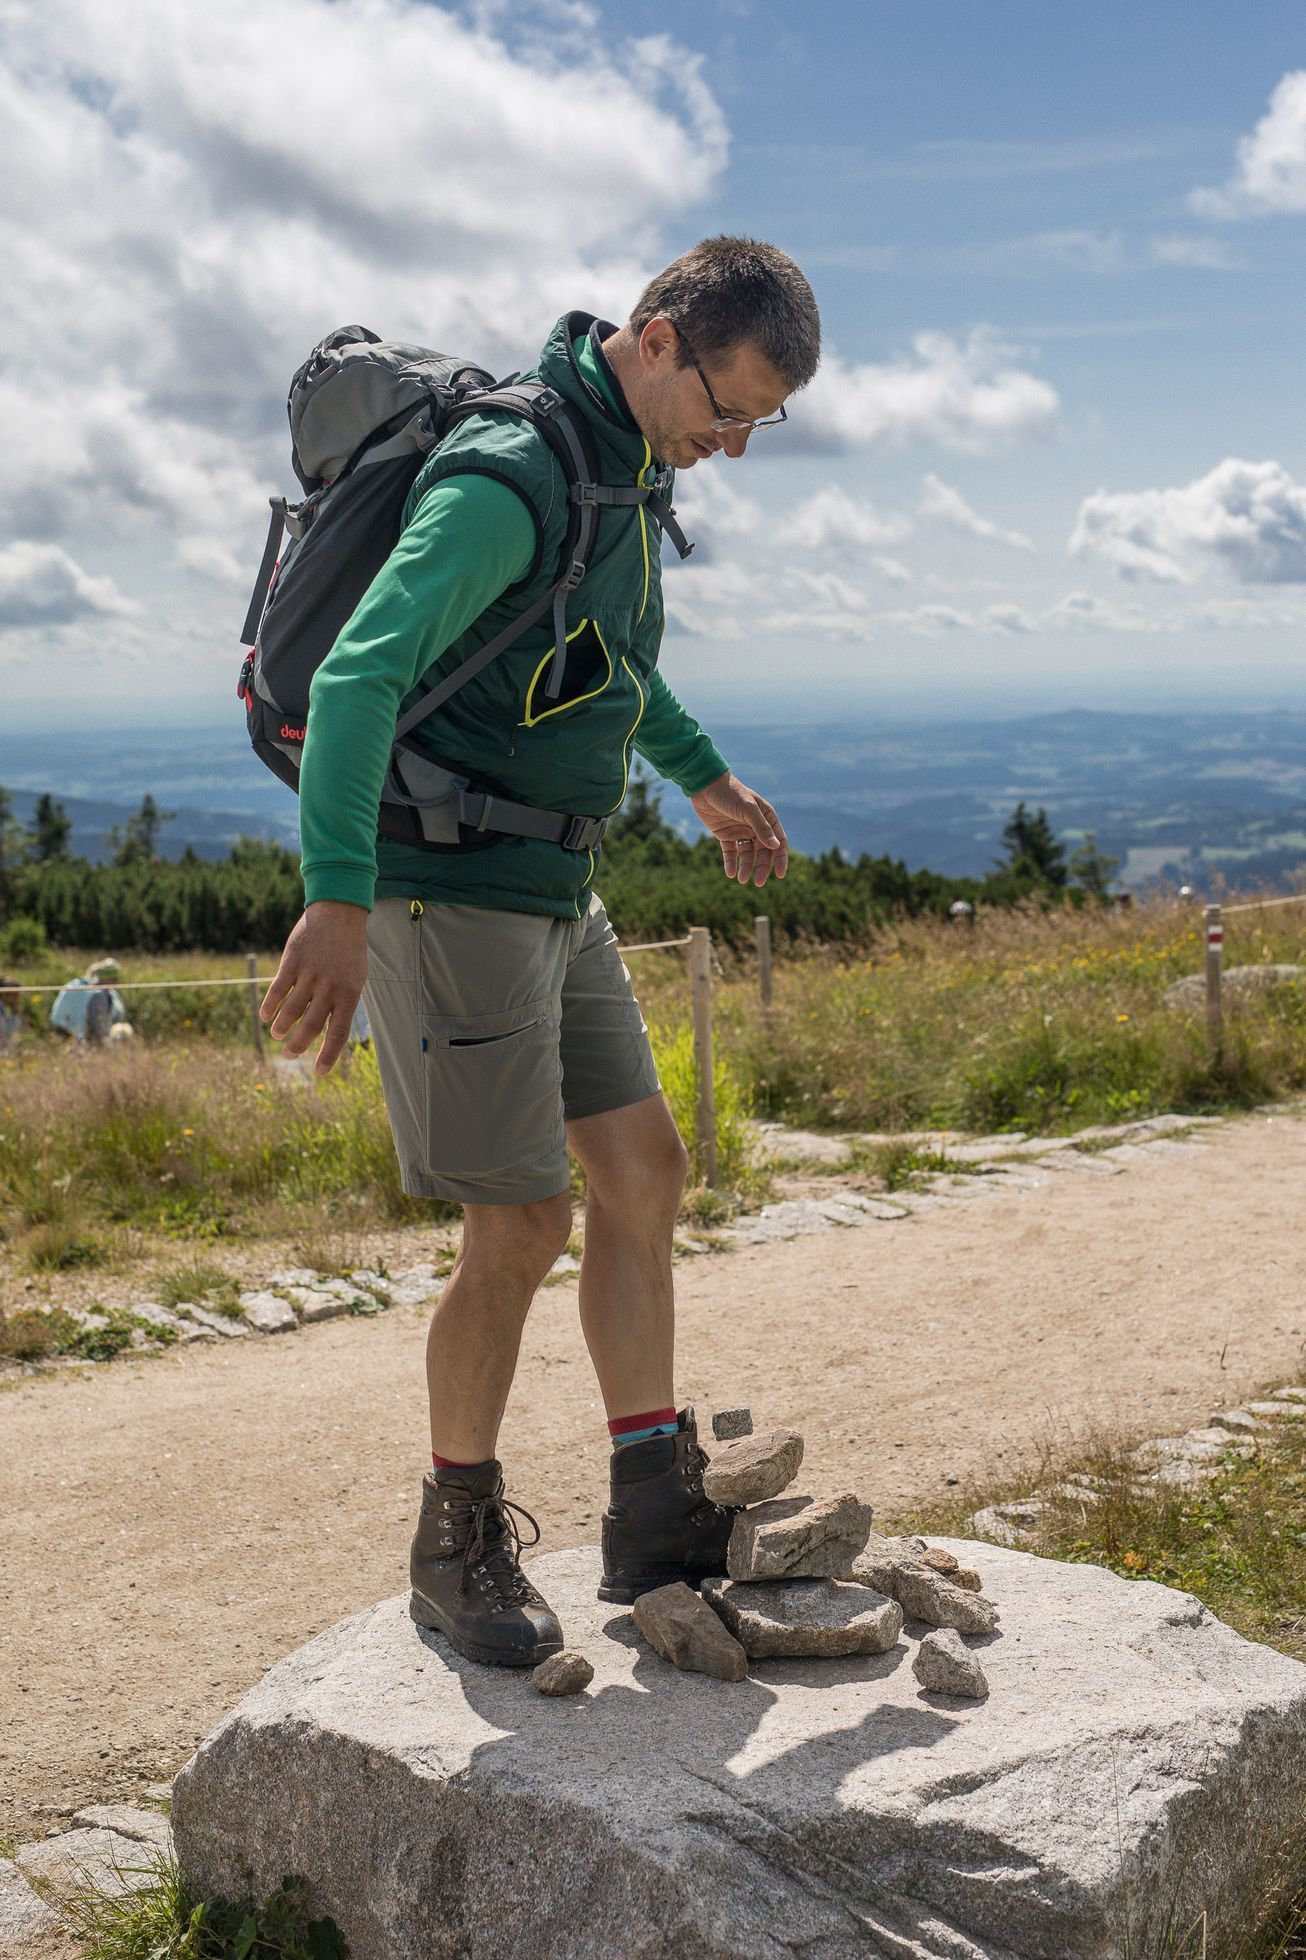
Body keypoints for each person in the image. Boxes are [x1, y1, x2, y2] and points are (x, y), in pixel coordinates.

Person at [261, 236, 821, 1668]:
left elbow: (609, 652)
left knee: (644, 1175)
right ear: (656, 337)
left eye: (759, 423)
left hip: (554, 887)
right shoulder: (510, 476)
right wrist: (335, 894)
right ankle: (456, 1542)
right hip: (444, 891)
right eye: (728, 407)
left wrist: (694, 774)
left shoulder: (626, 464)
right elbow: (353, 679)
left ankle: (648, 1507)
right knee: (516, 1223)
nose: (733, 444)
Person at [50, 959, 131, 1045]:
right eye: (115, 978)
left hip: (61, 1028)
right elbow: (98, 1027)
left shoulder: (83, 983)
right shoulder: (98, 996)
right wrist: (104, 1046)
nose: (117, 982)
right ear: (107, 978)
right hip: (77, 1037)